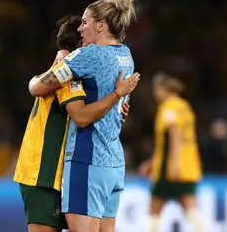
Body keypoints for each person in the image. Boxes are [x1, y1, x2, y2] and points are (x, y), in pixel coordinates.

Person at [14, 14, 138, 232]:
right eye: (82, 30)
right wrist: (117, 95)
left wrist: (116, 109)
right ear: (80, 46)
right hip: (44, 172)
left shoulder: (71, 73)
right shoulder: (68, 76)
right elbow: (81, 117)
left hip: (64, 169)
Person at [138, 72, 205, 232]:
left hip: (170, 167)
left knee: (154, 207)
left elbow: (173, 136)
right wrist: (152, 162)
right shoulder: (185, 106)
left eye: (156, 90)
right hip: (188, 165)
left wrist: (172, 165)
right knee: (190, 207)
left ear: (162, 89)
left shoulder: (169, 107)